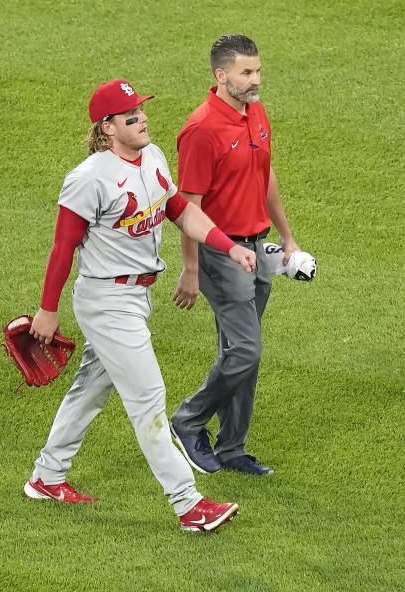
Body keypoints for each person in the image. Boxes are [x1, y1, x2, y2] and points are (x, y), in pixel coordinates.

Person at [24, 79, 258, 532]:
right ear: (107, 128)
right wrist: (47, 310)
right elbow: (62, 247)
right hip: (106, 299)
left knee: (92, 386)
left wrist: (229, 247)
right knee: (149, 401)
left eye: (142, 111)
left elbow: (180, 210)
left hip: (136, 295)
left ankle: (47, 476)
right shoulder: (88, 179)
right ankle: (188, 504)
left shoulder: (151, 158)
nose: (142, 118)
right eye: (131, 116)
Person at [170, 34, 302, 477]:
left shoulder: (256, 112)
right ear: (220, 74)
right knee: (245, 350)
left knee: (241, 350)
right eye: (246, 73)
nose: (256, 80)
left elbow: (265, 176)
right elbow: (188, 207)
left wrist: (287, 238)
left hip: (256, 246)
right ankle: (188, 420)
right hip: (219, 252)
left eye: (258, 70)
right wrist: (191, 268)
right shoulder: (201, 129)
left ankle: (232, 448)